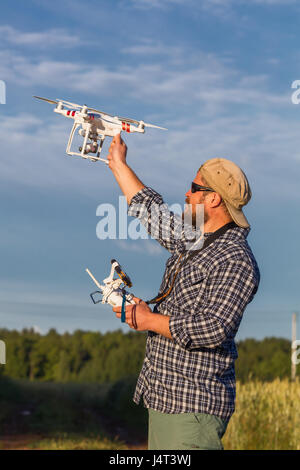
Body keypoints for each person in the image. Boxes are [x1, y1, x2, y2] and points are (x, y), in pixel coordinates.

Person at [107, 133, 260, 450]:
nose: (187, 195)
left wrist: (149, 321)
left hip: (192, 407)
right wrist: (118, 163)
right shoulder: (195, 237)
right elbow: (152, 212)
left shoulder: (235, 259)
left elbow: (213, 328)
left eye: (194, 189)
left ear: (213, 199)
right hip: (165, 398)